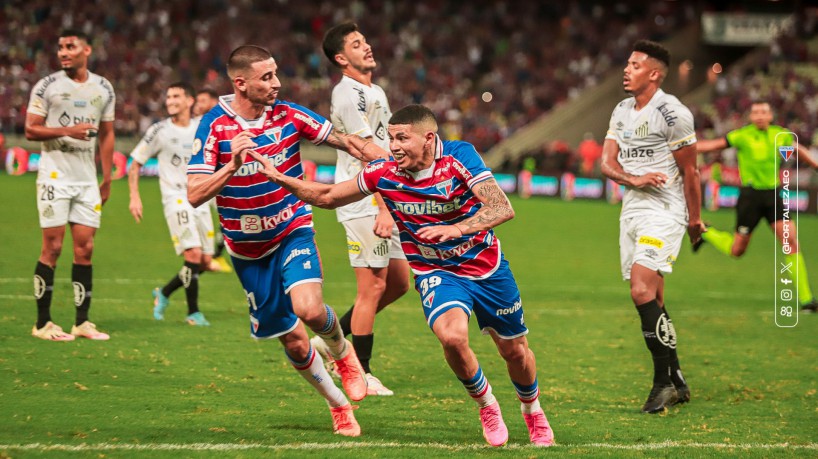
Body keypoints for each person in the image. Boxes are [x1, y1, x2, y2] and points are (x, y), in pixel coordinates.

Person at [248, 104, 555, 447]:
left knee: (515, 352)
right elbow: (328, 196)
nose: (393, 146)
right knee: (452, 337)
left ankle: (532, 410)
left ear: (428, 138)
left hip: (487, 268)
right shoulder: (384, 172)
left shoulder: (459, 157)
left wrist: (457, 229)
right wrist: (280, 179)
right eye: (391, 138)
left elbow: (501, 207)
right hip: (436, 271)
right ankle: (487, 404)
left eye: (402, 138)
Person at [187, 45, 379, 437]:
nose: (276, 83)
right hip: (247, 251)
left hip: (291, 229)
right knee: (293, 342)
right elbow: (193, 194)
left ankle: (343, 353)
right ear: (241, 83)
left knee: (309, 309)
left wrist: (385, 158)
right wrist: (232, 165)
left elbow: (343, 140)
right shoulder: (214, 126)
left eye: (275, 73)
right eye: (266, 77)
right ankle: (338, 405)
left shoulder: (289, 114)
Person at [600, 40, 704, 413]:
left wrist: (694, 219)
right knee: (654, 300)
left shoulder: (673, 113)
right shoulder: (621, 110)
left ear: (654, 74)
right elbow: (606, 163)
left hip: (665, 212)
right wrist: (634, 179)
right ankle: (677, 378)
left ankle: (663, 384)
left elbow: (691, 173)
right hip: (632, 211)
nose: (627, 70)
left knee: (641, 290)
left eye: (635, 65)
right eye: (627, 64)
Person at [314, 21, 410, 396]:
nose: (367, 46)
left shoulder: (375, 91)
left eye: (365, 40)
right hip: (363, 200)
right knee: (372, 287)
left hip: (384, 197)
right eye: (356, 44)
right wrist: (384, 208)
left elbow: (388, 149)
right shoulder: (347, 94)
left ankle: (330, 341)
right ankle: (360, 371)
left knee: (399, 283)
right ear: (342, 58)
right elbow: (370, 157)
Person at [25, 29, 115, 341]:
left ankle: (82, 322)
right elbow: (30, 129)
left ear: (86, 50)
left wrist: (106, 177)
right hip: (55, 178)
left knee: (85, 249)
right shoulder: (47, 86)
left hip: (86, 180)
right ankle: (42, 323)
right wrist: (68, 131)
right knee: (52, 247)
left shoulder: (103, 87)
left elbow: (107, 133)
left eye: (70, 46)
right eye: (60, 47)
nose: (63, 52)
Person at [695, 101, 818, 312]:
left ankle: (807, 300)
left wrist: (816, 166)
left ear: (771, 115)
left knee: (790, 241)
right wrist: (684, 147)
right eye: (756, 112)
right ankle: (707, 232)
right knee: (737, 250)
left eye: (764, 112)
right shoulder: (742, 135)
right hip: (750, 197)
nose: (760, 115)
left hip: (773, 195)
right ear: (751, 117)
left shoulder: (780, 135)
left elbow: (795, 150)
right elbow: (714, 145)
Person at [127, 82, 213, 326]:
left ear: (189, 101)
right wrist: (134, 197)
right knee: (193, 254)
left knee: (205, 261)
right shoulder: (159, 130)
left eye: (176, 96)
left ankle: (164, 292)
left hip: (201, 198)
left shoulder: (201, 127)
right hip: (176, 198)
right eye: (169, 97)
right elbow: (135, 164)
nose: (170, 101)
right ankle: (193, 313)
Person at [193, 88, 233, 274]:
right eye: (197, 101)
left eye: (202, 100)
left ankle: (215, 254)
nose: (198, 105)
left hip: (220, 181)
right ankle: (204, 257)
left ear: (213, 101)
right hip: (202, 181)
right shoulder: (196, 124)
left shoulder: (223, 123)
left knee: (229, 218)